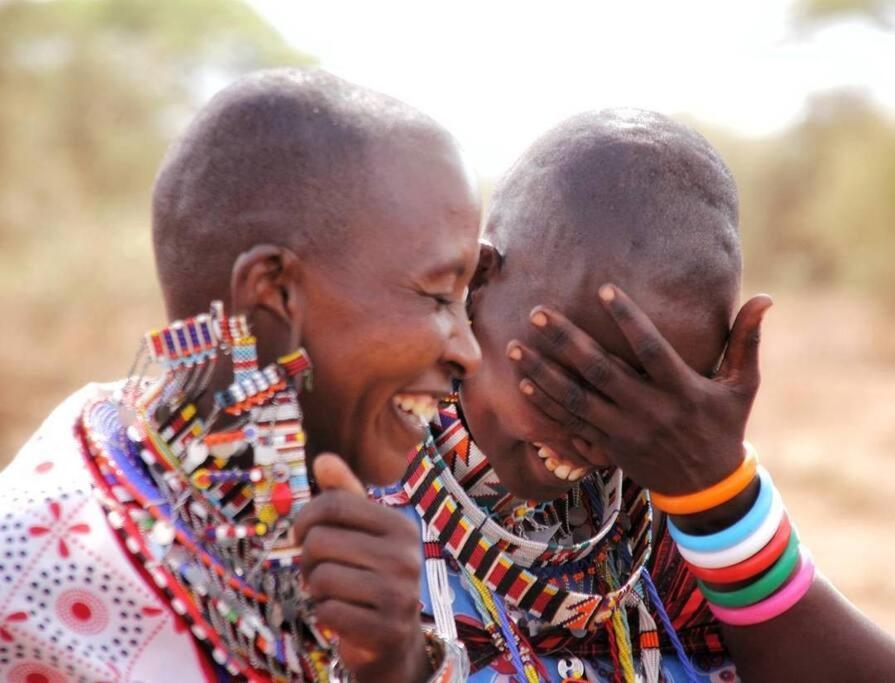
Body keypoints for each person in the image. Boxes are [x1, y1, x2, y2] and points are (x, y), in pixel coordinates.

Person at [0, 68, 481, 682]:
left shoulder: (340, 522)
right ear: (274, 292)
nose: (471, 352)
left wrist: (395, 665)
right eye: (439, 296)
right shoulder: (32, 586)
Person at [393, 109, 895, 682]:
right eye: (571, 377)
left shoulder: (678, 497)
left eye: (658, 395)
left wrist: (720, 495)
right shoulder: (340, 479)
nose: (600, 440)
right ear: (478, 280)